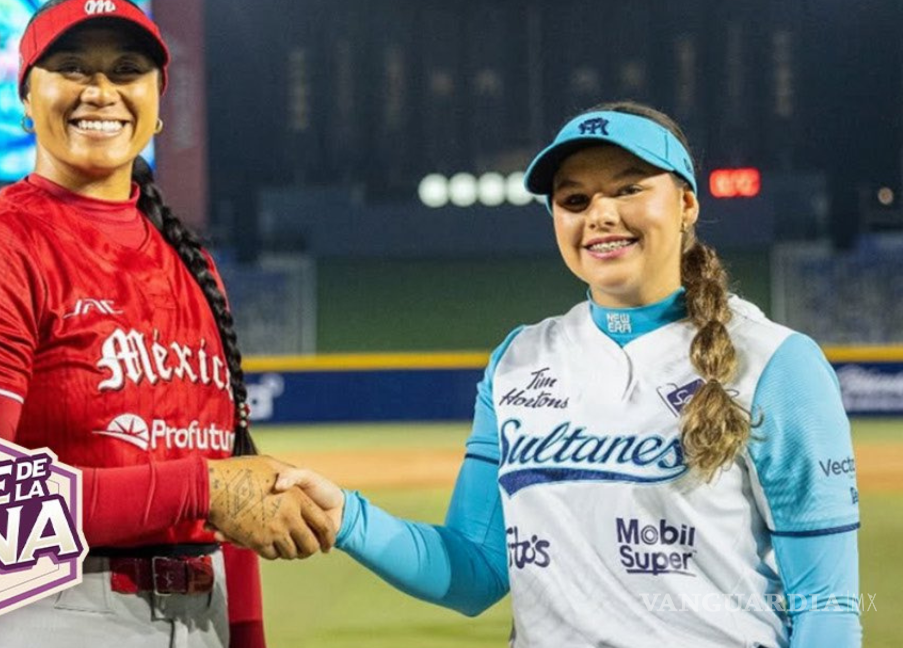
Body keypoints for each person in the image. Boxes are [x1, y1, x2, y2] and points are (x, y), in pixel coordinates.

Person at [277, 102, 862, 647]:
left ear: (686, 203)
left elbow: (827, 603)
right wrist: (347, 518)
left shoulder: (777, 364)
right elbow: (472, 572)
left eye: (629, 188)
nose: (601, 215)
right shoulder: (519, 360)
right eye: (574, 200)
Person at [0, 2, 333, 647]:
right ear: (25, 96)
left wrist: (246, 632)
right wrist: (199, 491)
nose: (101, 92)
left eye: (128, 70)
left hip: (198, 610)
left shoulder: (188, 258)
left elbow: (232, 480)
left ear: (157, 102)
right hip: (42, 608)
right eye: (72, 68)